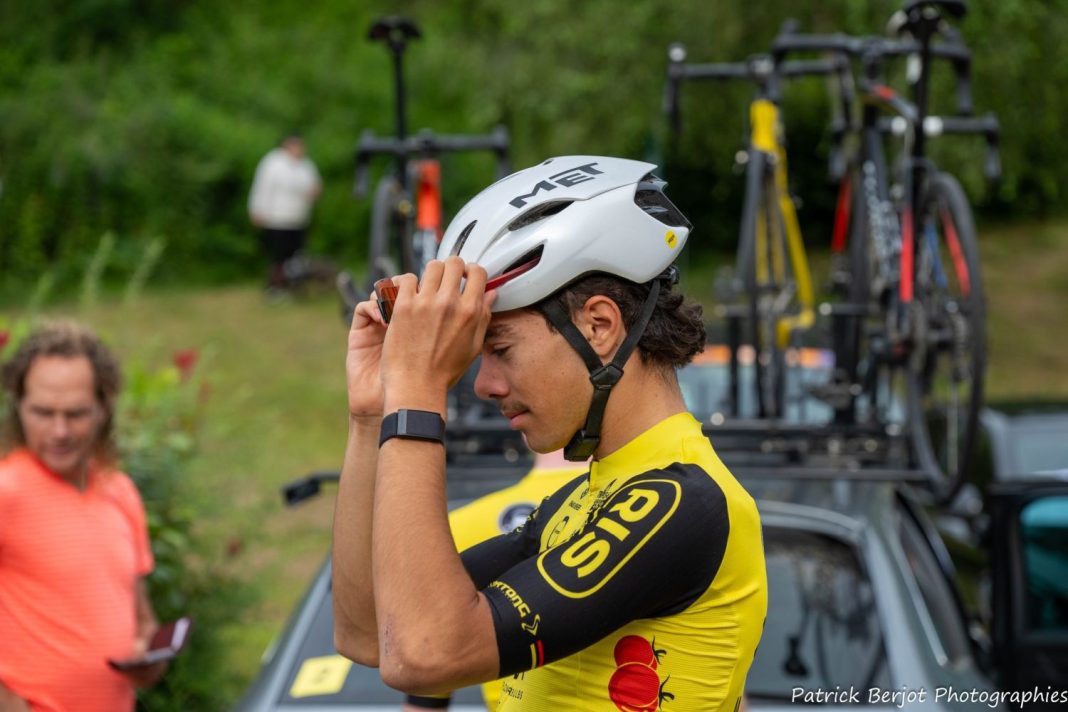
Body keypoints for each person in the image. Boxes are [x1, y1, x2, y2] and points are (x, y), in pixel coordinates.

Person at [332, 156, 767, 710]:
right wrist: (373, 415)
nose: (484, 385)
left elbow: (424, 653)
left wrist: (419, 392)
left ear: (599, 326)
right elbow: (368, 632)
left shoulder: (681, 502)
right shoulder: (579, 502)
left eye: (501, 349)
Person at [0, 321, 165, 712]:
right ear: (18, 406)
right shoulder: (7, 490)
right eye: (42, 412)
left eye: (76, 414)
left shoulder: (120, 491)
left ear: (104, 408)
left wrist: (148, 654)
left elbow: (143, 620)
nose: (59, 431)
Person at [248, 133, 323, 296]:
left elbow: (315, 187)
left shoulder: (306, 165)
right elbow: (262, 188)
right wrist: (257, 210)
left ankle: (294, 286)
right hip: (277, 219)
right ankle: (275, 287)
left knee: (296, 257)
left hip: (299, 219)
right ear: (287, 146)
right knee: (279, 256)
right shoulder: (272, 163)